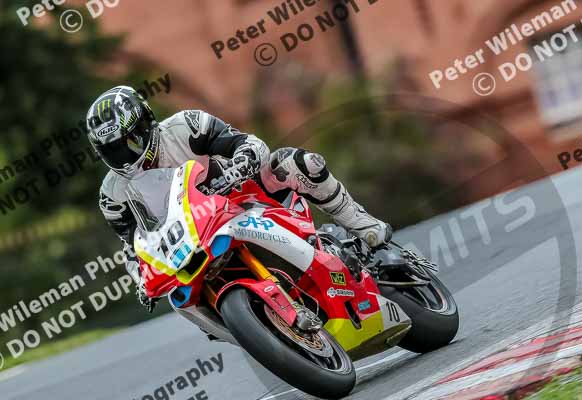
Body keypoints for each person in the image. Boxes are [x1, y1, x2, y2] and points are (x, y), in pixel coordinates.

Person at [86, 86, 392, 311]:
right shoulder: (112, 196)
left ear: (146, 124)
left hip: (240, 198)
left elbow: (250, 143)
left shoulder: (186, 127)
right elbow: (133, 247)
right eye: (115, 151)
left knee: (296, 163)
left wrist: (242, 163)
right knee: (178, 299)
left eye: (131, 141)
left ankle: (363, 225)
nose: (128, 155)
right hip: (189, 246)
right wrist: (141, 281)